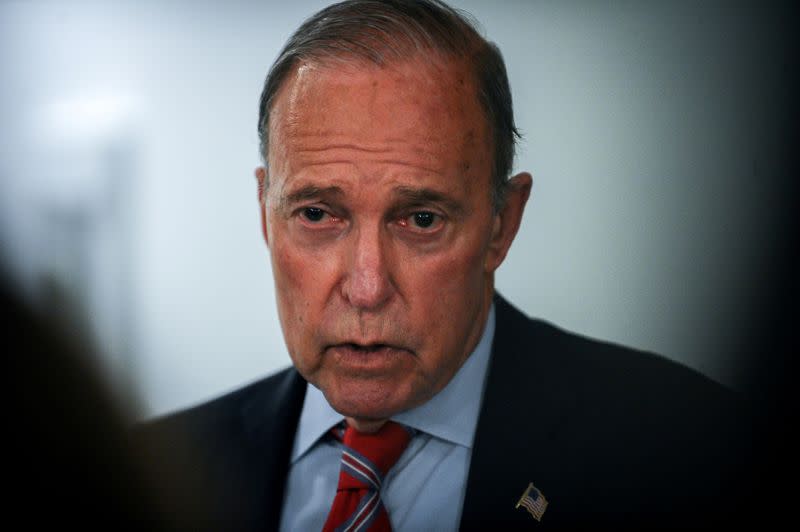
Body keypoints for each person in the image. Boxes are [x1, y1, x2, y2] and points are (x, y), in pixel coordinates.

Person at [138, 0, 759, 528]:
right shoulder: (153, 472)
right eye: (318, 215)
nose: (366, 287)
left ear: (502, 224)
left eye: (422, 220)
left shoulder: (688, 450)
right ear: (265, 214)